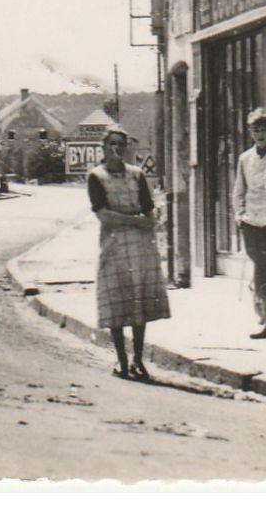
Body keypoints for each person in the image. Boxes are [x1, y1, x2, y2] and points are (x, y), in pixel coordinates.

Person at [88, 124, 170, 380]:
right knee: (115, 300)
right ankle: (121, 360)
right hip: (113, 245)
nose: (116, 149)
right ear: (103, 147)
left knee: (138, 301)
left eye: (120, 145)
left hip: (140, 246)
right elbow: (103, 214)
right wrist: (135, 220)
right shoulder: (96, 177)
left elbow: (148, 208)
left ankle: (137, 360)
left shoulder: (137, 175)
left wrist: (146, 218)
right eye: (111, 144)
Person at [231, 108, 266, 340]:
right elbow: (238, 189)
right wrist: (239, 214)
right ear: (250, 132)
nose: (259, 134)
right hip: (252, 221)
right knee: (260, 269)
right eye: (255, 130)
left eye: (263, 129)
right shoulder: (245, 158)